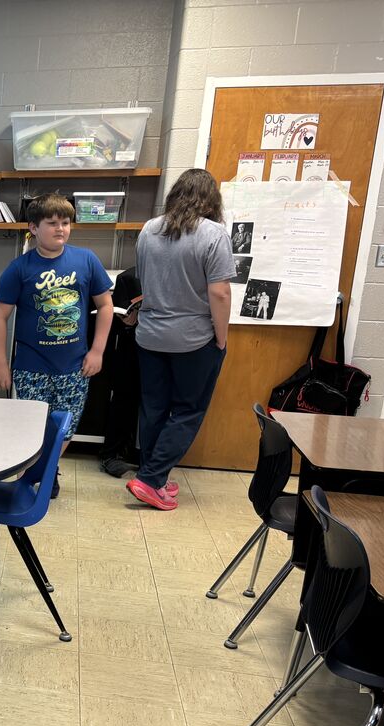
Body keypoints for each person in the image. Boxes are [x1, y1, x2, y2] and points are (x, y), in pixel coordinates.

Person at [0, 193, 113, 497]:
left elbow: (106, 306)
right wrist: (1, 364)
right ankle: (34, 474)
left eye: (66, 222)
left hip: (74, 365)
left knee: (65, 427)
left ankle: (46, 471)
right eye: (52, 223)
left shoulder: (86, 260)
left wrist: (97, 350)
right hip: (31, 366)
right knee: (30, 428)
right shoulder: (19, 268)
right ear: (33, 227)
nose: (60, 228)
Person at [128, 168, 235, 511]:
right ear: (211, 199)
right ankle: (150, 479)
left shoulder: (148, 229)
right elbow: (219, 292)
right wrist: (221, 338)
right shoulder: (214, 234)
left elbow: (145, 279)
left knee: (154, 407)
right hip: (193, 339)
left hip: (150, 335)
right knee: (188, 411)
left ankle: (153, 477)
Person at [98, 267, 143, 478]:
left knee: (158, 404)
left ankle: (147, 456)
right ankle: (111, 453)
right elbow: (120, 315)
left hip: (168, 346)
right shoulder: (130, 277)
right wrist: (128, 319)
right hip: (133, 345)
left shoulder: (182, 274)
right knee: (124, 397)